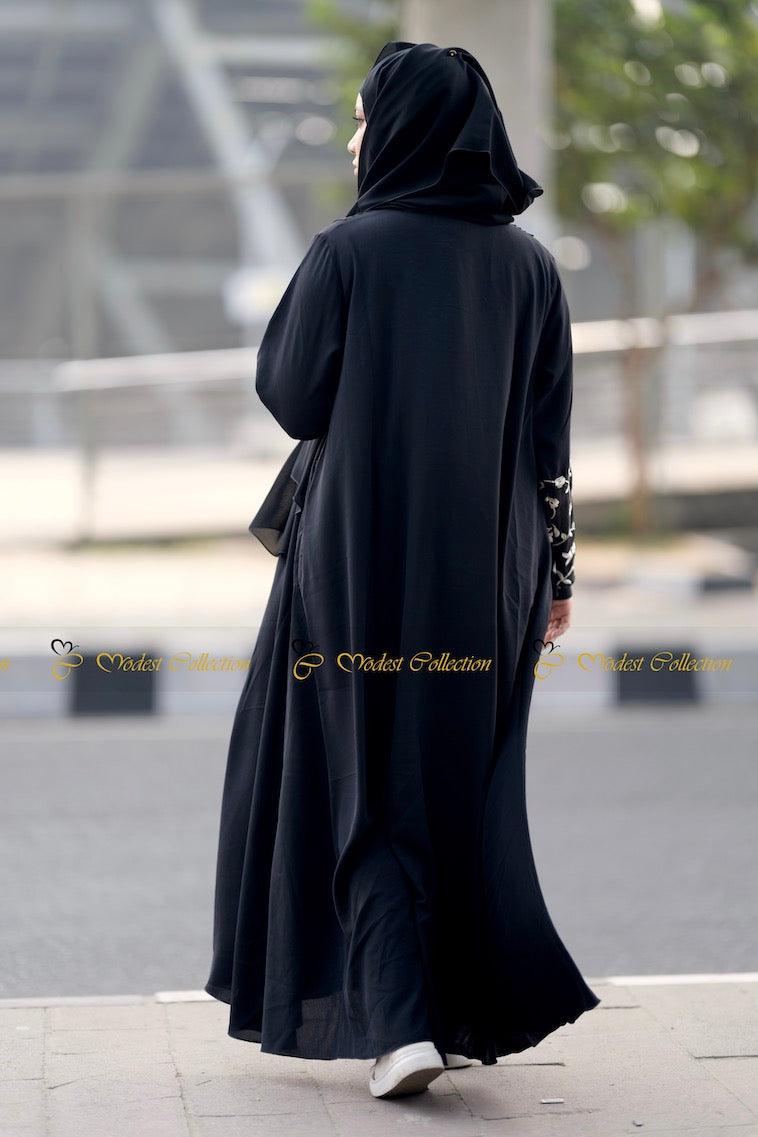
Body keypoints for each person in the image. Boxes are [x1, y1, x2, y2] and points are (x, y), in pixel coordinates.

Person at [204, 40, 600, 1100]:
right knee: (454, 781)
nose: (352, 140)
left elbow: (292, 396)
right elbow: (550, 444)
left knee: (363, 775)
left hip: (361, 558)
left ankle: (403, 1024)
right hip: (494, 568)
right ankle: (449, 1008)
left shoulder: (349, 250)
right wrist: (558, 578)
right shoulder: (528, 266)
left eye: (362, 119)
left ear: (403, 129)